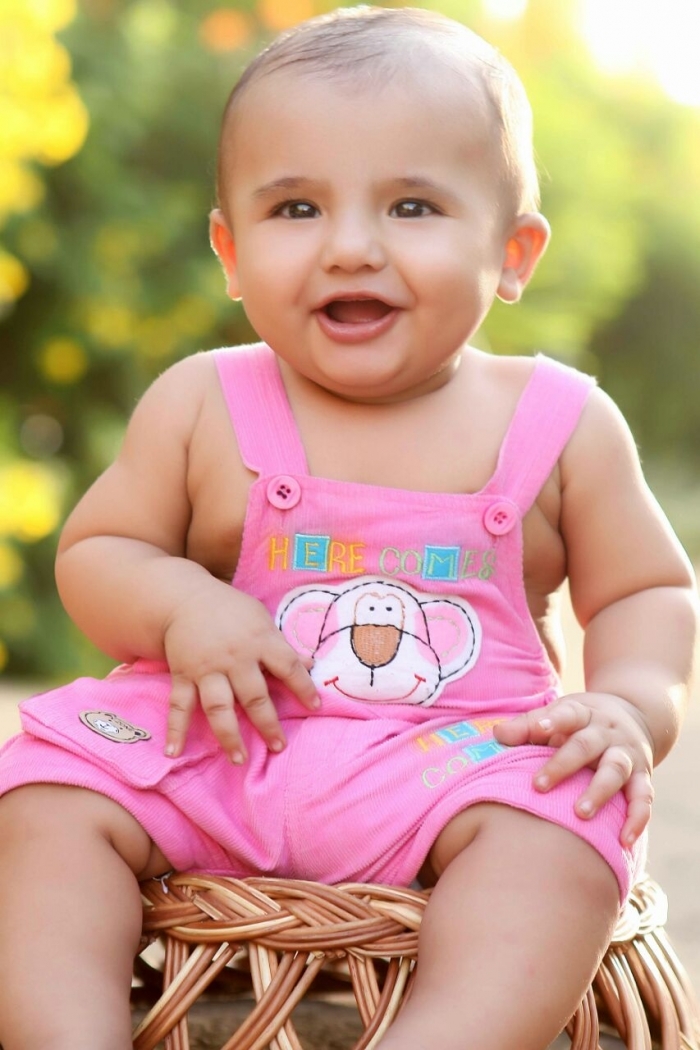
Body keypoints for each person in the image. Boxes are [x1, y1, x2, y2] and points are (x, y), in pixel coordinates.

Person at [0, 6, 696, 1050]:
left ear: (512, 253)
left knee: (563, 828)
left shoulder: (560, 424)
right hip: (217, 752)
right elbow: (100, 553)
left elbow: (645, 588)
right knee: (45, 800)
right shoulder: (204, 402)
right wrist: (182, 605)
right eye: (296, 208)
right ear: (231, 251)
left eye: (413, 206)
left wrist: (629, 705)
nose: (352, 248)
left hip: (455, 767)